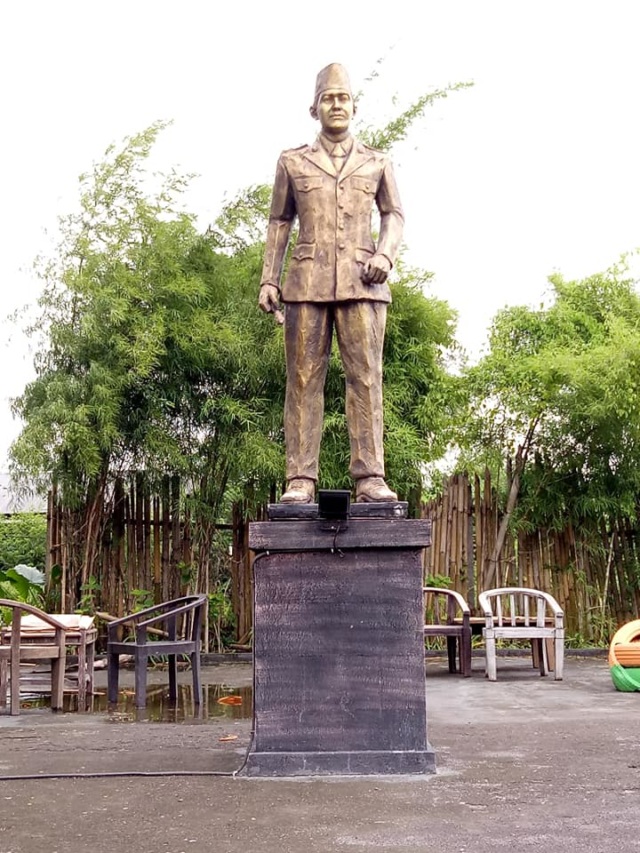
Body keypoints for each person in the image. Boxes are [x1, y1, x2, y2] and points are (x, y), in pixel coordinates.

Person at [258, 63, 404, 504]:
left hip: (363, 283)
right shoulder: (293, 161)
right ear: (314, 108)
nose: (336, 105)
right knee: (303, 380)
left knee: (366, 378)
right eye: (328, 98)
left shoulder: (377, 161)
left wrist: (385, 254)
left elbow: (394, 214)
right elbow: (279, 220)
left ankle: (371, 477)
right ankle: (300, 478)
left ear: (354, 106)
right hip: (306, 283)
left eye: (343, 98)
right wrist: (269, 279)